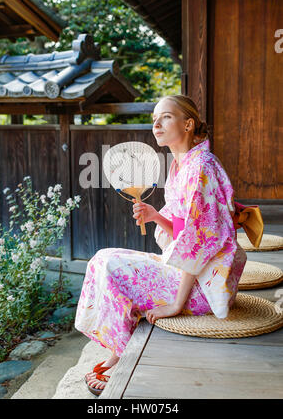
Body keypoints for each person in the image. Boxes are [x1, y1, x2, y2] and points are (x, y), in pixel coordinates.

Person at [75, 94, 247, 396]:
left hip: (204, 288)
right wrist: (156, 216)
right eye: (155, 117)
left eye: (166, 116)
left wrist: (176, 305)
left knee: (110, 264)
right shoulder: (182, 164)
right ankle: (120, 349)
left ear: (188, 123)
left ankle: (124, 359)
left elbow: (200, 241)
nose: (156, 123)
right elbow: (185, 230)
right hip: (191, 273)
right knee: (100, 259)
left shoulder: (202, 166)